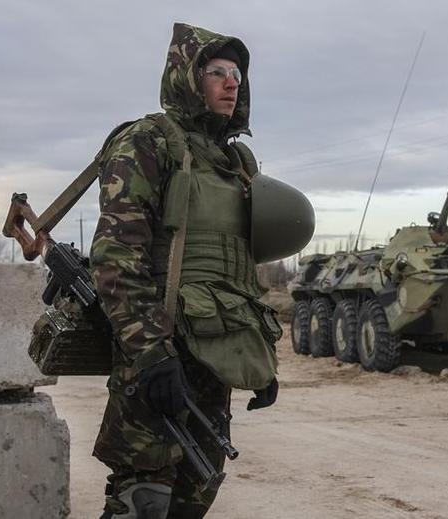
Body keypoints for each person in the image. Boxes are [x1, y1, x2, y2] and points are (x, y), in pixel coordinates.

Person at [90, 23, 285, 518]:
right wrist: (150, 351)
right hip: (160, 346)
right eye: (216, 71)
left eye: (237, 73)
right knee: (143, 499)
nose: (231, 82)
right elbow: (116, 256)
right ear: (187, 77)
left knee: (194, 497)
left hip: (215, 352)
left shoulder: (236, 161)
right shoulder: (148, 141)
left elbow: (240, 269)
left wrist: (260, 357)